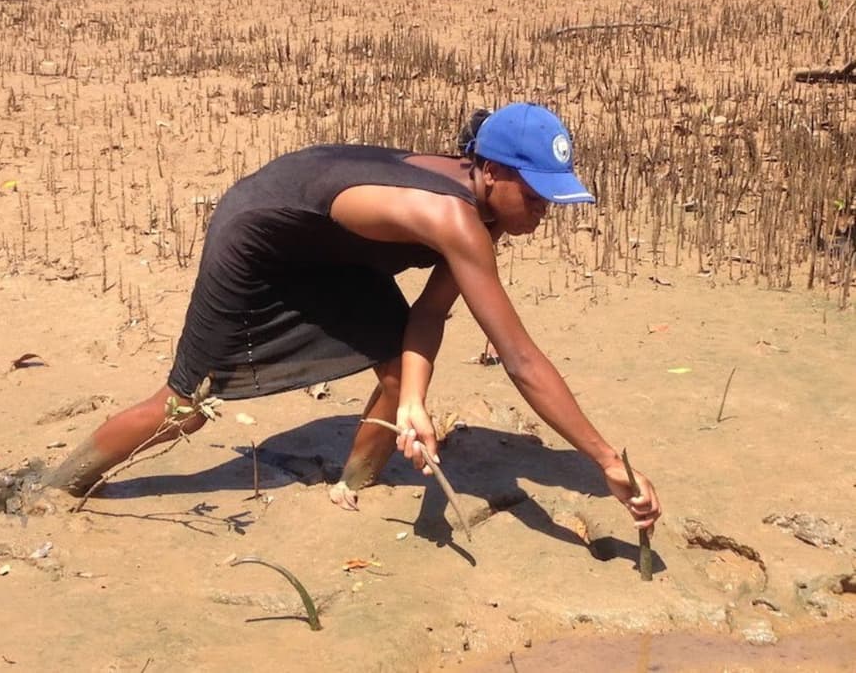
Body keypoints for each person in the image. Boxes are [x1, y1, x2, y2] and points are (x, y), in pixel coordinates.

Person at [46, 102, 661, 533]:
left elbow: (430, 315)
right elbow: (520, 359)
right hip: (261, 234)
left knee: (397, 372)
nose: (542, 212)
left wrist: (416, 401)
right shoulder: (453, 219)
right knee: (186, 404)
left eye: (552, 199)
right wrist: (605, 458)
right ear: (494, 171)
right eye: (534, 196)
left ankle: (354, 485)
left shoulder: (484, 212)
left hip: (326, 246)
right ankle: (54, 486)